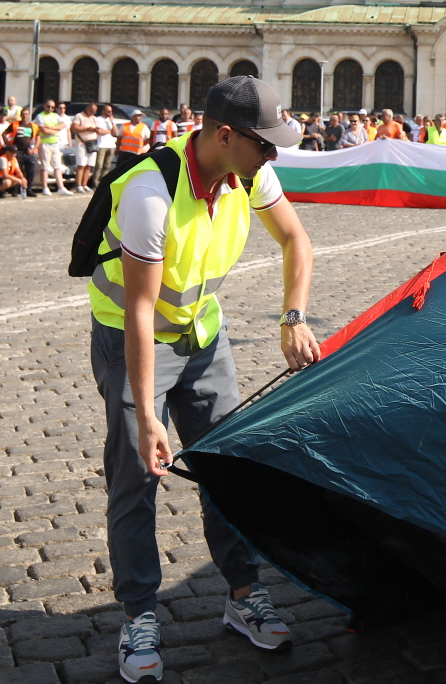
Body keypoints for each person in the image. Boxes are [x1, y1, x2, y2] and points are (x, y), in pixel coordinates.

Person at [88, 77, 314, 682]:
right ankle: (138, 614)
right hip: (134, 342)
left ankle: (243, 595)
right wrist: (147, 414)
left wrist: (293, 318)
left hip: (203, 337)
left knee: (227, 466)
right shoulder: (148, 195)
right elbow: (138, 312)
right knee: (139, 472)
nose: (273, 156)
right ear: (224, 136)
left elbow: (296, 239)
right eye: (265, 144)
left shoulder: (251, 172)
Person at [35, 100, 70, 195]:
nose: (50, 108)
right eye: (48, 106)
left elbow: (63, 125)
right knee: (45, 166)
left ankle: (61, 187)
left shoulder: (55, 115)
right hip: (45, 144)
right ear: (44, 106)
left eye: (52, 107)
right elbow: (44, 130)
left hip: (55, 143)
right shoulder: (40, 116)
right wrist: (55, 129)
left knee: (57, 166)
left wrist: (51, 128)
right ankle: (45, 187)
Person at [72, 104, 99, 194]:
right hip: (82, 143)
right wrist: (87, 129)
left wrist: (96, 130)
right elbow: (74, 128)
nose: (92, 113)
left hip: (92, 144)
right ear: (87, 108)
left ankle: (85, 184)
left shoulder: (94, 118)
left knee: (89, 166)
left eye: (94, 111)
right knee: (81, 165)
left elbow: (99, 130)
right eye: (91, 111)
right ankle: (78, 185)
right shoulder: (79, 116)